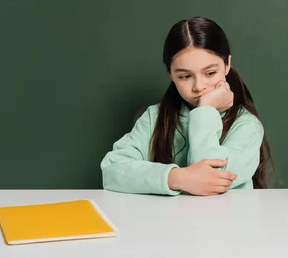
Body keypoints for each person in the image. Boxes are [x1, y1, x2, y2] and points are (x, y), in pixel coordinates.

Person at [100, 17, 273, 196]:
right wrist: (179, 177)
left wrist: (205, 110)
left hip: (224, 222)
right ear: (170, 74)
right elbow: (112, 171)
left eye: (210, 73)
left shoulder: (246, 125)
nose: (199, 86)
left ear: (227, 65)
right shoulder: (155, 117)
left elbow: (210, 182)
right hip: (163, 221)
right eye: (185, 76)